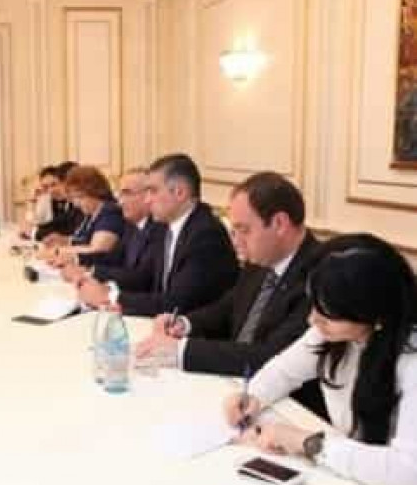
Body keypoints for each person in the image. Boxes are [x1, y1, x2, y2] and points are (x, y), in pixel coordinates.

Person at [223, 233, 417, 485]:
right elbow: (284, 371)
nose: (312, 320)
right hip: (354, 480)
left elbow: (409, 473)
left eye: (327, 314)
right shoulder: (330, 333)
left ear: (375, 315)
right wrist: (253, 395)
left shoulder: (410, 363)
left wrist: (308, 443)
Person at [135, 171, 326, 416]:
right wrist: (185, 324)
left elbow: (270, 356)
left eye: (243, 230)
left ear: (279, 223)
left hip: (288, 407)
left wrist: (181, 350)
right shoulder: (263, 256)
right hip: (234, 386)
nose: (235, 242)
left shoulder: (320, 275)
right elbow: (229, 306)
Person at [76, 153, 238, 317]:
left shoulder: (206, 235)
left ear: (179, 193)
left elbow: (176, 303)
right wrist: (105, 288)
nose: (147, 200)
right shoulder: (165, 226)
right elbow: (144, 277)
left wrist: (111, 297)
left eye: (153, 191)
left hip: (193, 328)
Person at [61, 166, 161, 285]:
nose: (120, 202)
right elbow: (113, 257)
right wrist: (79, 262)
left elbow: (142, 277)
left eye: (127, 193)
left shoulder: (159, 229)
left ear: (147, 195)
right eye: (120, 194)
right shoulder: (132, 226)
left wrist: (89, 273)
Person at [39, 165, 125, 267]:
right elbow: (83, 240)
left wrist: (58, 251)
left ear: (95, 191)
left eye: (79, 197)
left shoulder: (110, 213)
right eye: (74, 198)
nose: (76, 204)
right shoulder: (91, 213)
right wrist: (66, 242)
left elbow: (96, 250)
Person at [34, 161, 84, 241]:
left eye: (55, 184)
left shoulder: (83, 205)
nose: (51, 190)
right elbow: (55, 224)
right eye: (45, 187)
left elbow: (78, 235)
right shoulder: (73, 204)